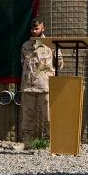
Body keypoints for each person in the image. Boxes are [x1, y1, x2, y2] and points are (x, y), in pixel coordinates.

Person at [19, 18, 62, 150]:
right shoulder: (26, 46)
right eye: (32, 29)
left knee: (48, 117)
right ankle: (28, 143)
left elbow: (59, 64)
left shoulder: (51, 45)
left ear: (42, 28)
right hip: (28, 86)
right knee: (27, 116)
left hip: (45, 86)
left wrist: (45, 71)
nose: (34, 31)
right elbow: (23, 64)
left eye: (37, 28)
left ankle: (50, 143)